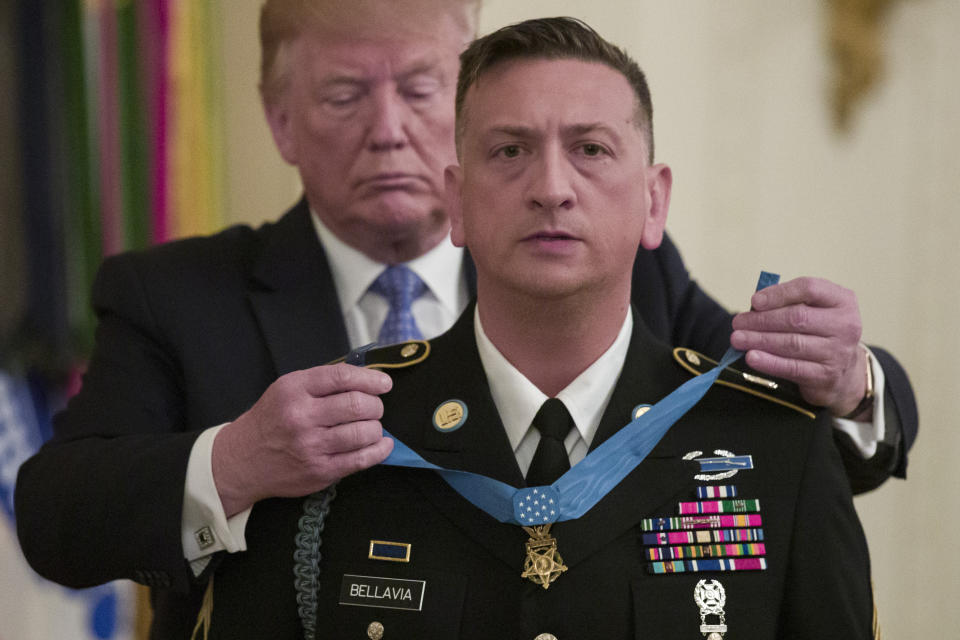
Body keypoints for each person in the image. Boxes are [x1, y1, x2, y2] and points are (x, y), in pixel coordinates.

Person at [13, 1, 894, 636]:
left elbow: (761, 444)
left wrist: (855, 386)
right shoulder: (174, 295)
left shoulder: (627, 263)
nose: (391, 128)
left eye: (423, 88)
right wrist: (238, 463)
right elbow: (58, 517)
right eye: (347, 94)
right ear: (281, 122)